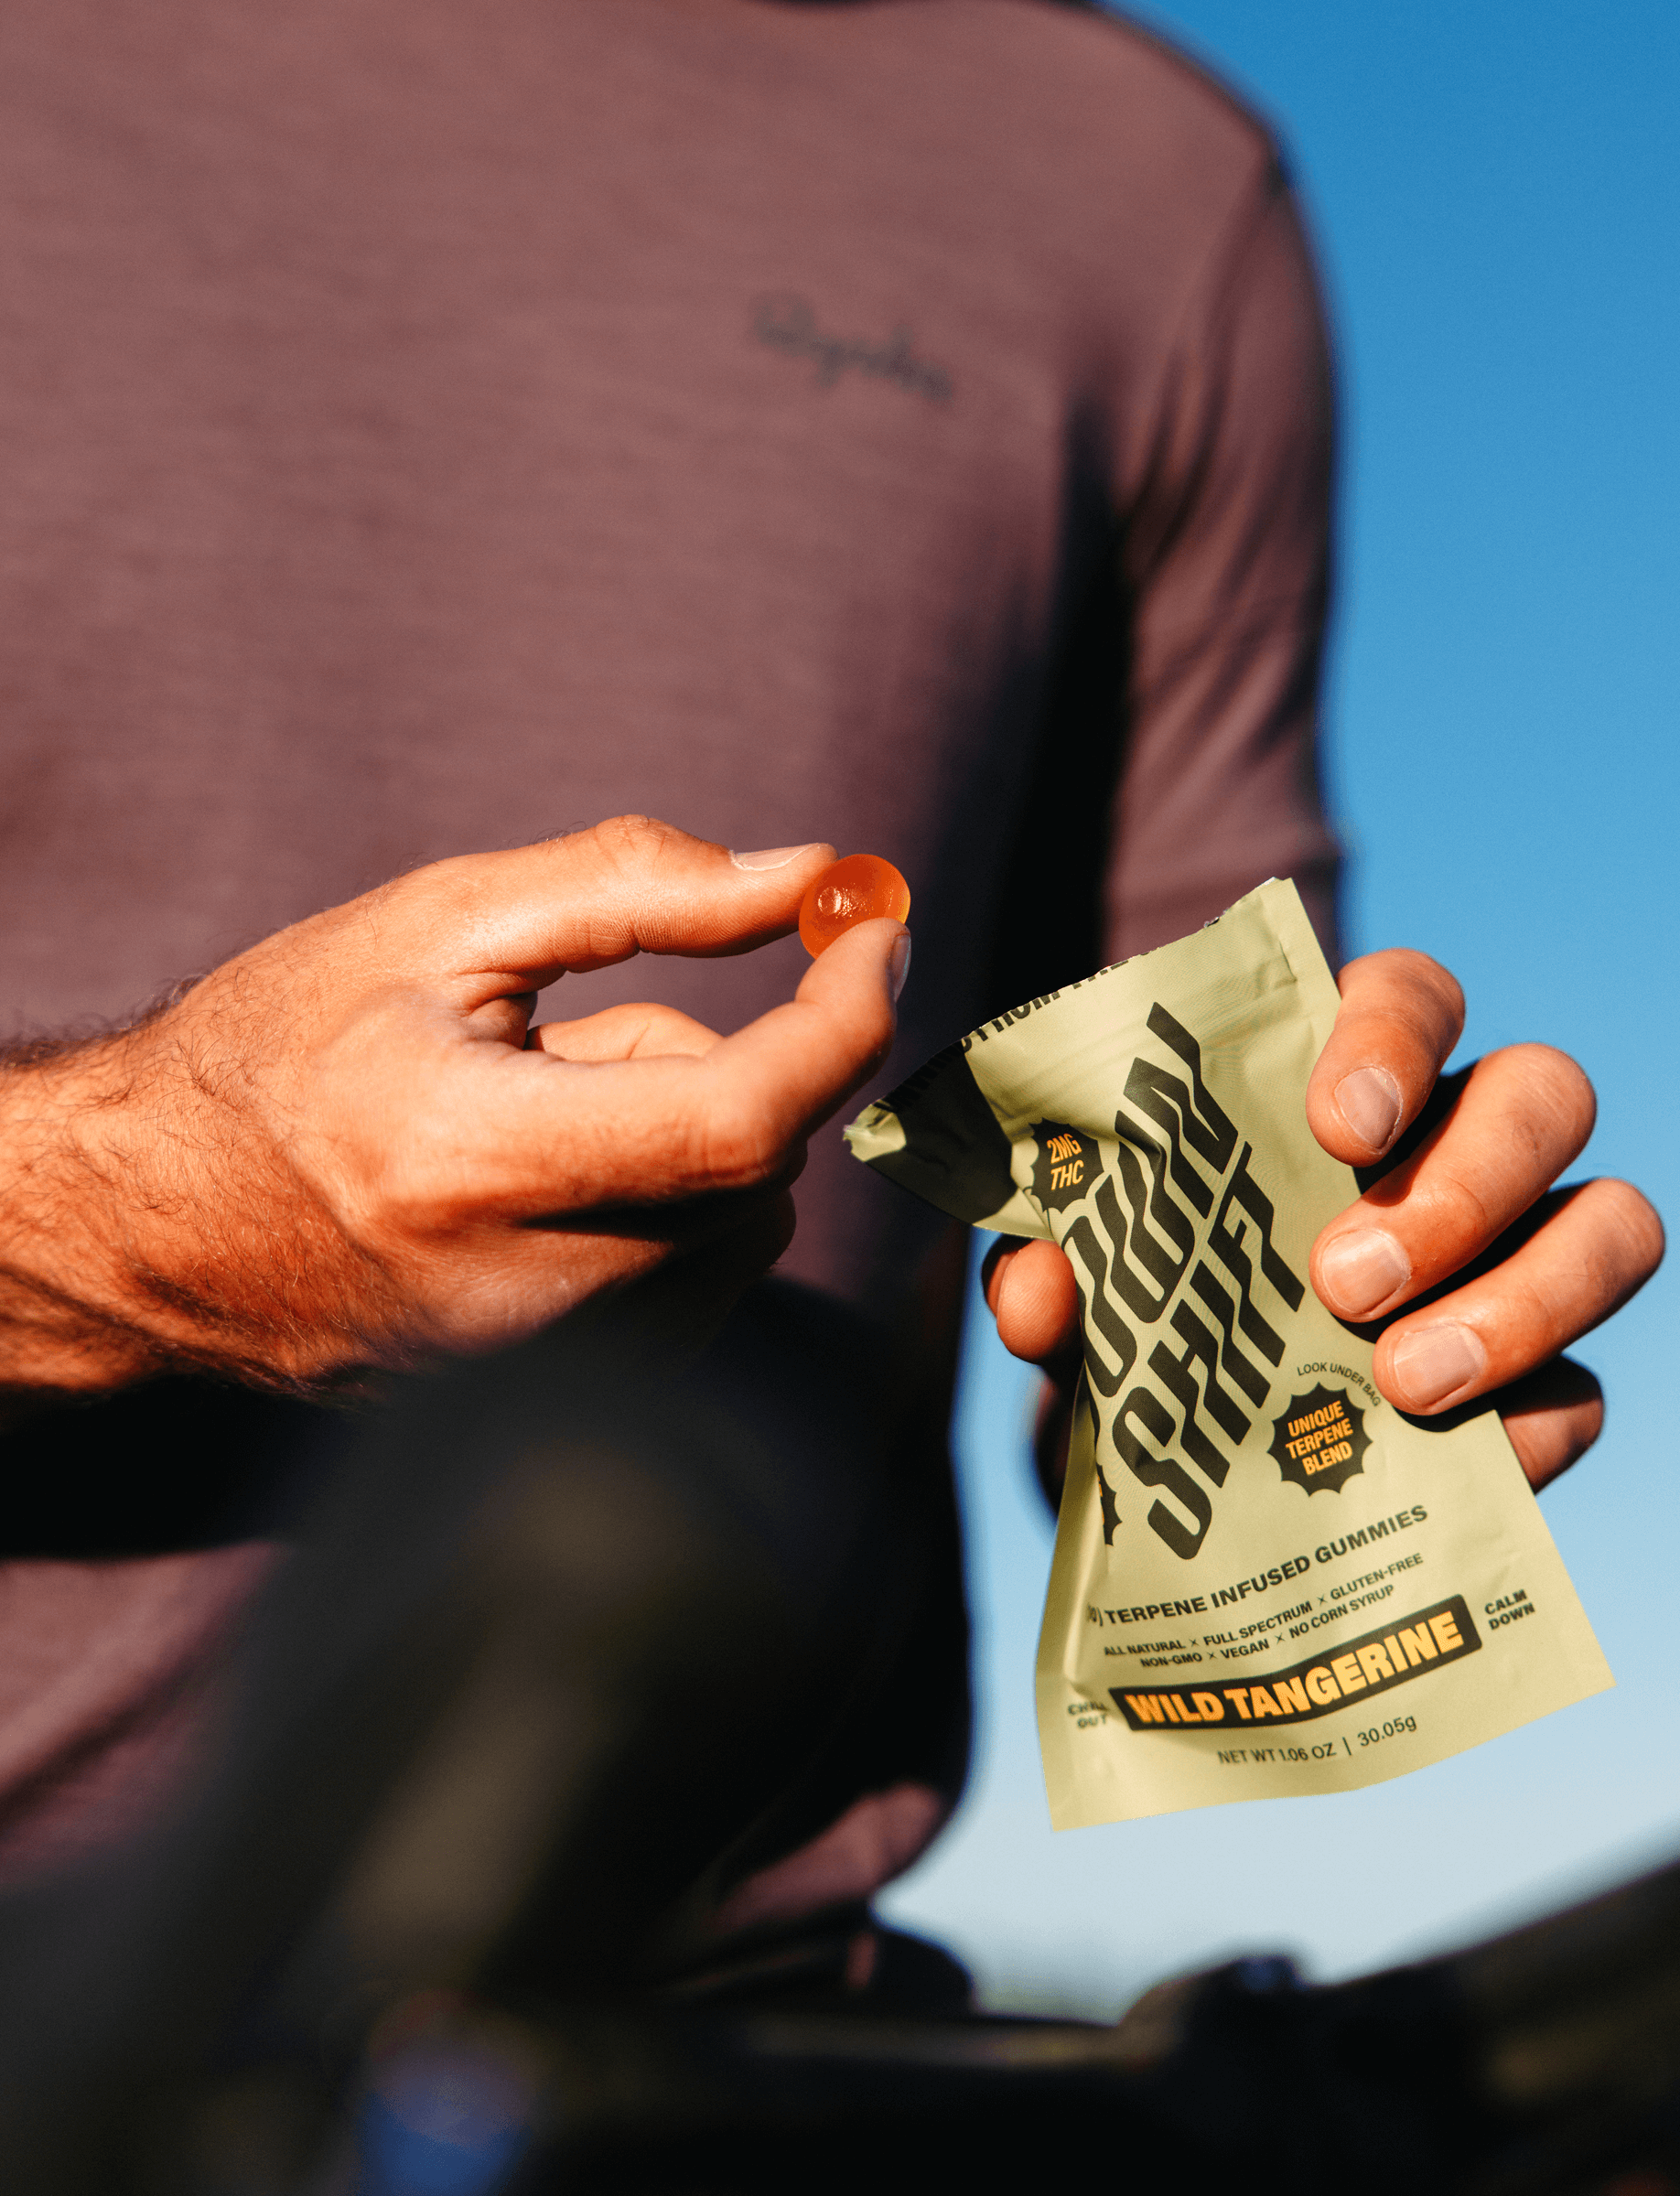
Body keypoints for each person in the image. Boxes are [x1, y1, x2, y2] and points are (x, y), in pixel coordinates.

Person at [0, 0, 1661, 1947]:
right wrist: (143, 1210)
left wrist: (1360, 1322)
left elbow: (1133, 1288)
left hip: (728, 2041)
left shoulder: (1142, 189)